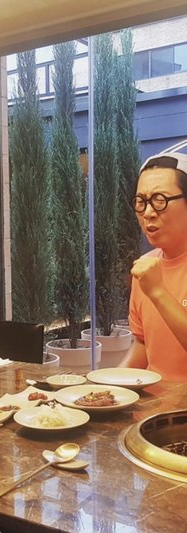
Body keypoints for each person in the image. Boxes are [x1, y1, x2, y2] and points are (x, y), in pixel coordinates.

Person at [121, 151, 187, 380]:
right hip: (156, 401)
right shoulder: (146, 266)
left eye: (160, 200)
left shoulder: (151, 279)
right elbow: (143, 343)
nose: (148, 213)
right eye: (141, 202)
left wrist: (158, 292)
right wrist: (106, 386)